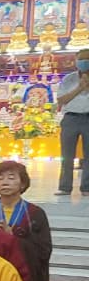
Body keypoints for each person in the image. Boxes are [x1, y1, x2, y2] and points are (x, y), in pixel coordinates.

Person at [54, 49, 89, 196]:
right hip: (70, 118)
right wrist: (79, 88)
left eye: (87, 59)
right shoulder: (69, 79)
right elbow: (61, 100)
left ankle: (86, 187)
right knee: (67, 155)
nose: (84, 62)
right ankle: (65, 187)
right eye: (81, 59)